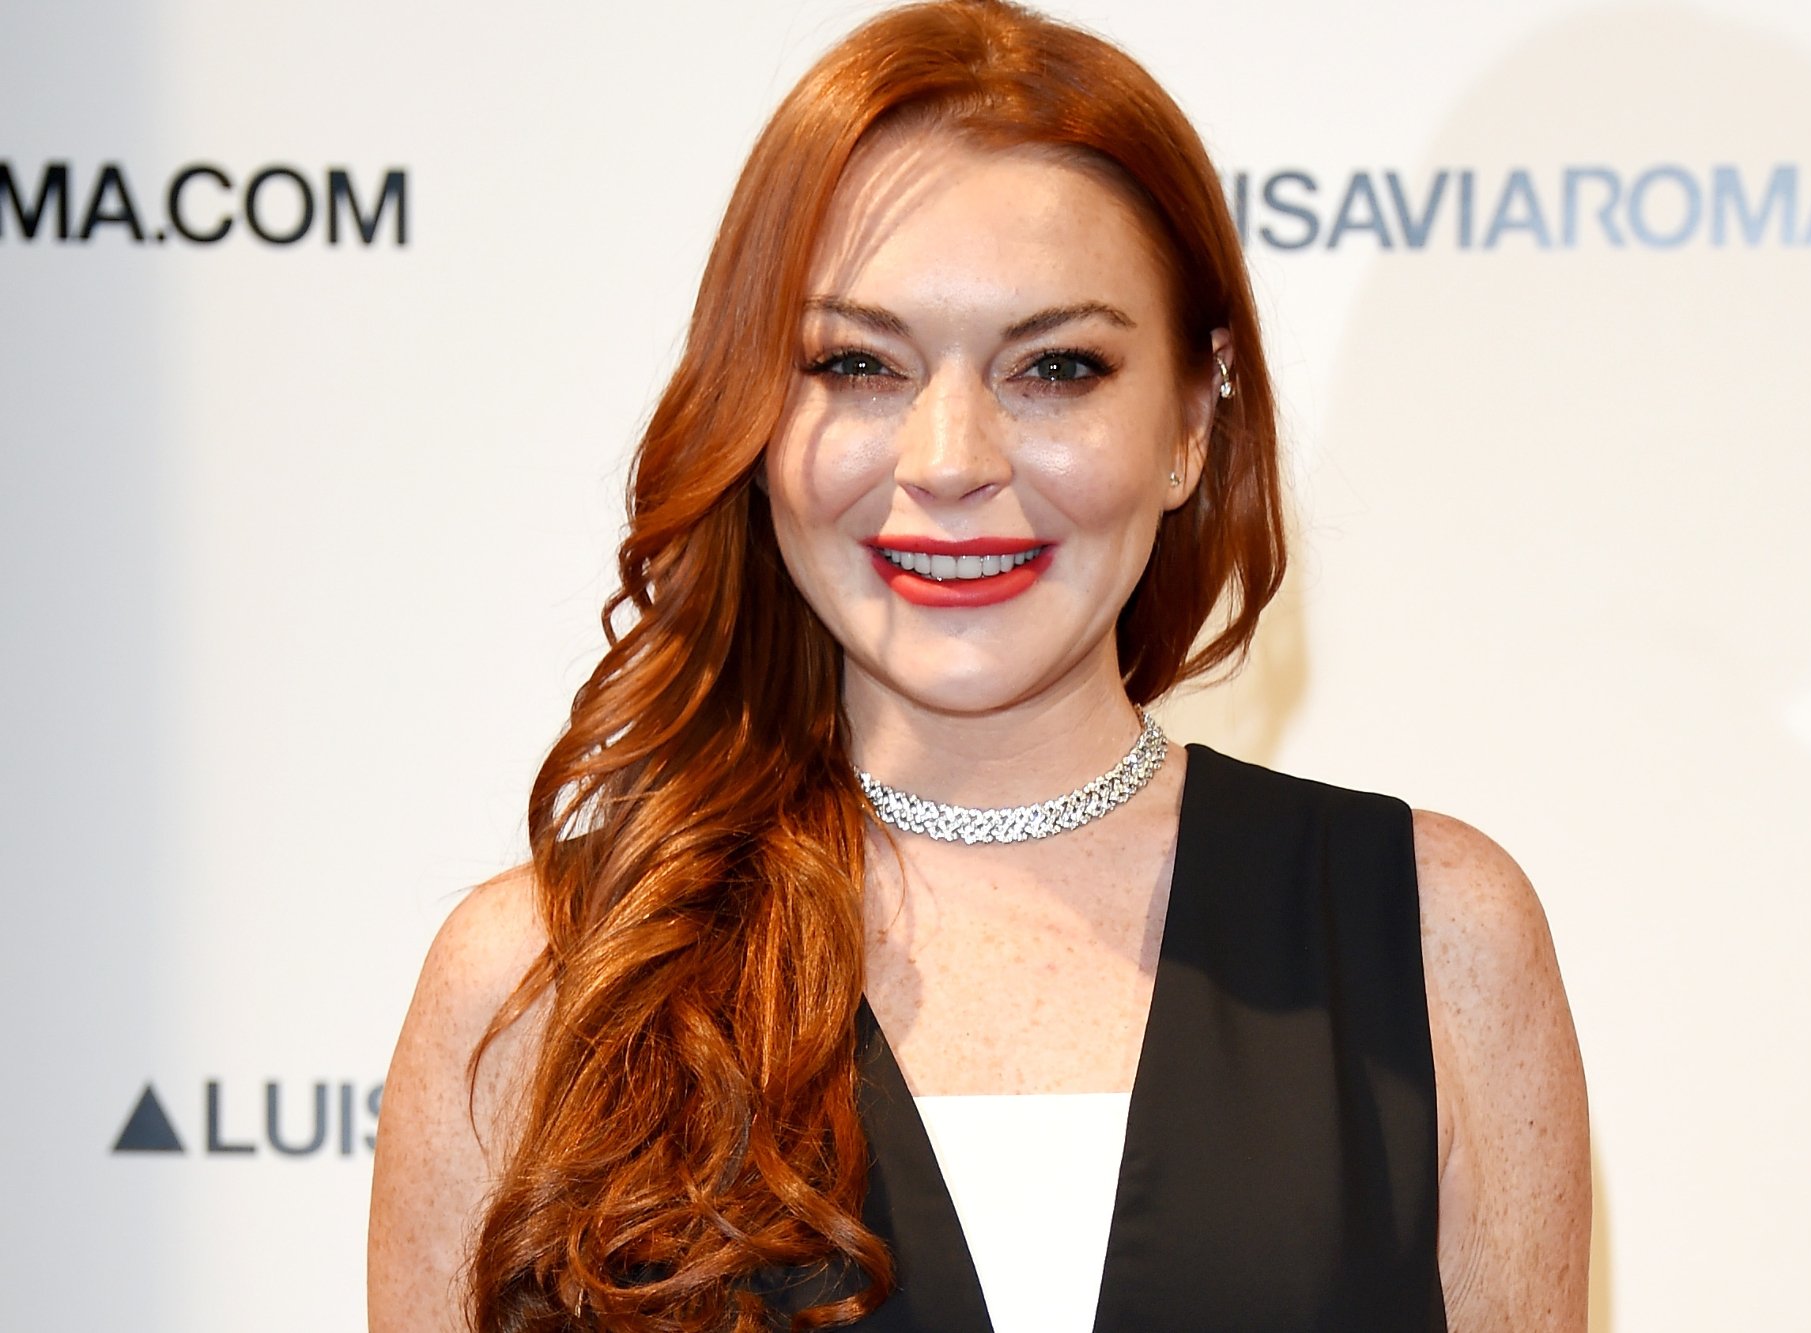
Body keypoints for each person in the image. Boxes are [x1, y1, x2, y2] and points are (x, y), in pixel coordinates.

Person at [366, 2, 1590, 1329]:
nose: (950, 460)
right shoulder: (547, 980)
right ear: (757, 415)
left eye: (1057, 366)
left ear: (1192, 412)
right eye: (857, 364)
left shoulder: (1433, 939)